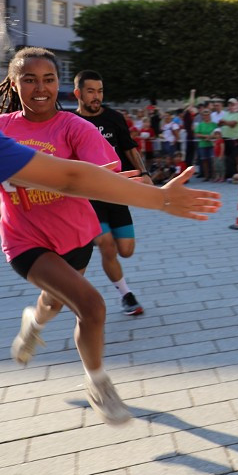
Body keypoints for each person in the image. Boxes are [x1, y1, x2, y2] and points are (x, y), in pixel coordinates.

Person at [0, 49, 219, 429]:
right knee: (92, 306)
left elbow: (100, 177)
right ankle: (98, 382)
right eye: (30, 79)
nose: (40, 88)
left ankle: (32, 326)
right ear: (14, 82)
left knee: (54, 302)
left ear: (59, 84)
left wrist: (155, 194)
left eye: (49, 79)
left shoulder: (75, 127)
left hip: (76, 235)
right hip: (25, 240)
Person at [73, 70, 149, 317]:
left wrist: (144, 173)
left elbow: (129, 148)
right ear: (78, 93)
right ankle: (126, 295)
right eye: (91, 91)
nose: (97, 96)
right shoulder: (69, 121)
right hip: (89, 196)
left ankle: (107, 261)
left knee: (126, 250)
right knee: (106, 246)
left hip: (116, 191)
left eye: (100, 91)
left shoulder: (114, 117)